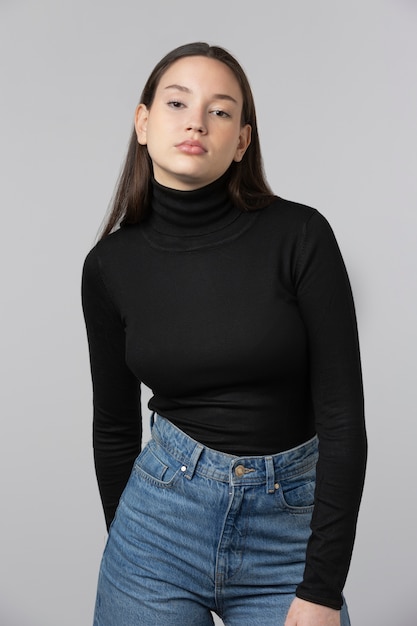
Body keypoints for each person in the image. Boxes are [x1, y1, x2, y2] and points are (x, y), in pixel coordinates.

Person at [82, 42, 367, 626]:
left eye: (220, 110)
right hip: (157, 526)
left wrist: (321, 588)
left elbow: (342, 419)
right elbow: (113, 424)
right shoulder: (110, 265)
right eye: (177, 102)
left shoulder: (302, 236)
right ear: (143, 123)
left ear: (241, 140)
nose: (196, 120)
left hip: (286, 531)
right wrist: (128, 546)